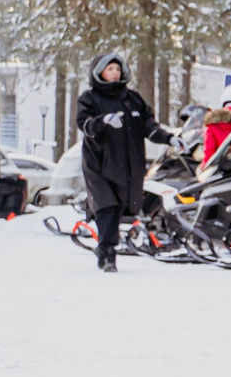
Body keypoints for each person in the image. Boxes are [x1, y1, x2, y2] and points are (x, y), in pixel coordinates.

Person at [75, 54, 177, 272]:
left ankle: (104, 248)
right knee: (107, 206)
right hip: (99, 164)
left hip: (129, 165)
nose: (115, 73)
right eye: (110, 69)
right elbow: (83, 123)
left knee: (120, 207)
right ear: (99, 72)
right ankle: (108, 255)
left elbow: (149, 127)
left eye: (117, 69)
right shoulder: (90, 98)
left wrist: (169, 139)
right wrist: (102, 121)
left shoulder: (133, 99)